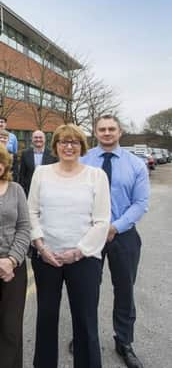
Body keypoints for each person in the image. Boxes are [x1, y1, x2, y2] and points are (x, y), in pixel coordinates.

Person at [28, 123, 111, 368]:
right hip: (46, 258)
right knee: (46, 318)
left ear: (82, 146)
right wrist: (42, 247)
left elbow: (102, 221)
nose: (69, 146)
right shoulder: (41, 173)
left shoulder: (96, 176)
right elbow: (32, 211)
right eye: (63, 141)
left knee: (85, 320)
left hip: (84, 259)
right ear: (55, 146)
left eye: (74, 142)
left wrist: (78, 252)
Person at [81, 115, 150, 368]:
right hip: (90, 235)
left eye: (112, 129)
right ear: (95, 132)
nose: (107, 133)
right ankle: (85, 337)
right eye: (102, 129)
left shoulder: (136, 164)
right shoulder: (83, 160)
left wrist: (114, 227)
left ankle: (124, 342)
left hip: (123, 235)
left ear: (120, 132)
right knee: (87, 290)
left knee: (124, 290)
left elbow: (141, 203)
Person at [0, 142, 31, 368]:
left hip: (14, 268)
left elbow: (24, 227)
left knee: (11, 327)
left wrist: (11, 260)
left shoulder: (16, 190)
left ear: (6, 164)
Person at [18, 130, 57, 195]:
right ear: (32, 139)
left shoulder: (52, 154)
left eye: (40, 137)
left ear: (45, 139)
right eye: (35, 137)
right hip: (29, 190)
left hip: (48, 190)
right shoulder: (25, 154)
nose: (38, 139)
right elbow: (22, 175)